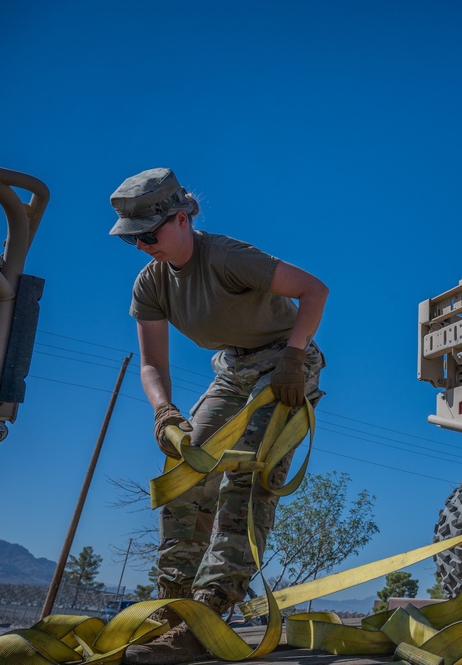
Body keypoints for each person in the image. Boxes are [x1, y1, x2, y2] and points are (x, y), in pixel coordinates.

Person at [108, 167, 328, 664]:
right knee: (187, 474)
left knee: (246, 479)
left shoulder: (228, 256)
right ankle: (174, 607)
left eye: (149, 235)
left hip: (284, 362)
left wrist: (295, 358)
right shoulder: (151, 284)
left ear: (181, 218)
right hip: (232, 369)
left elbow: (314, 290)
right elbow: (151, 364)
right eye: (133, 241)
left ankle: (208, 613)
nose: (143, 246)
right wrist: (164, 411)